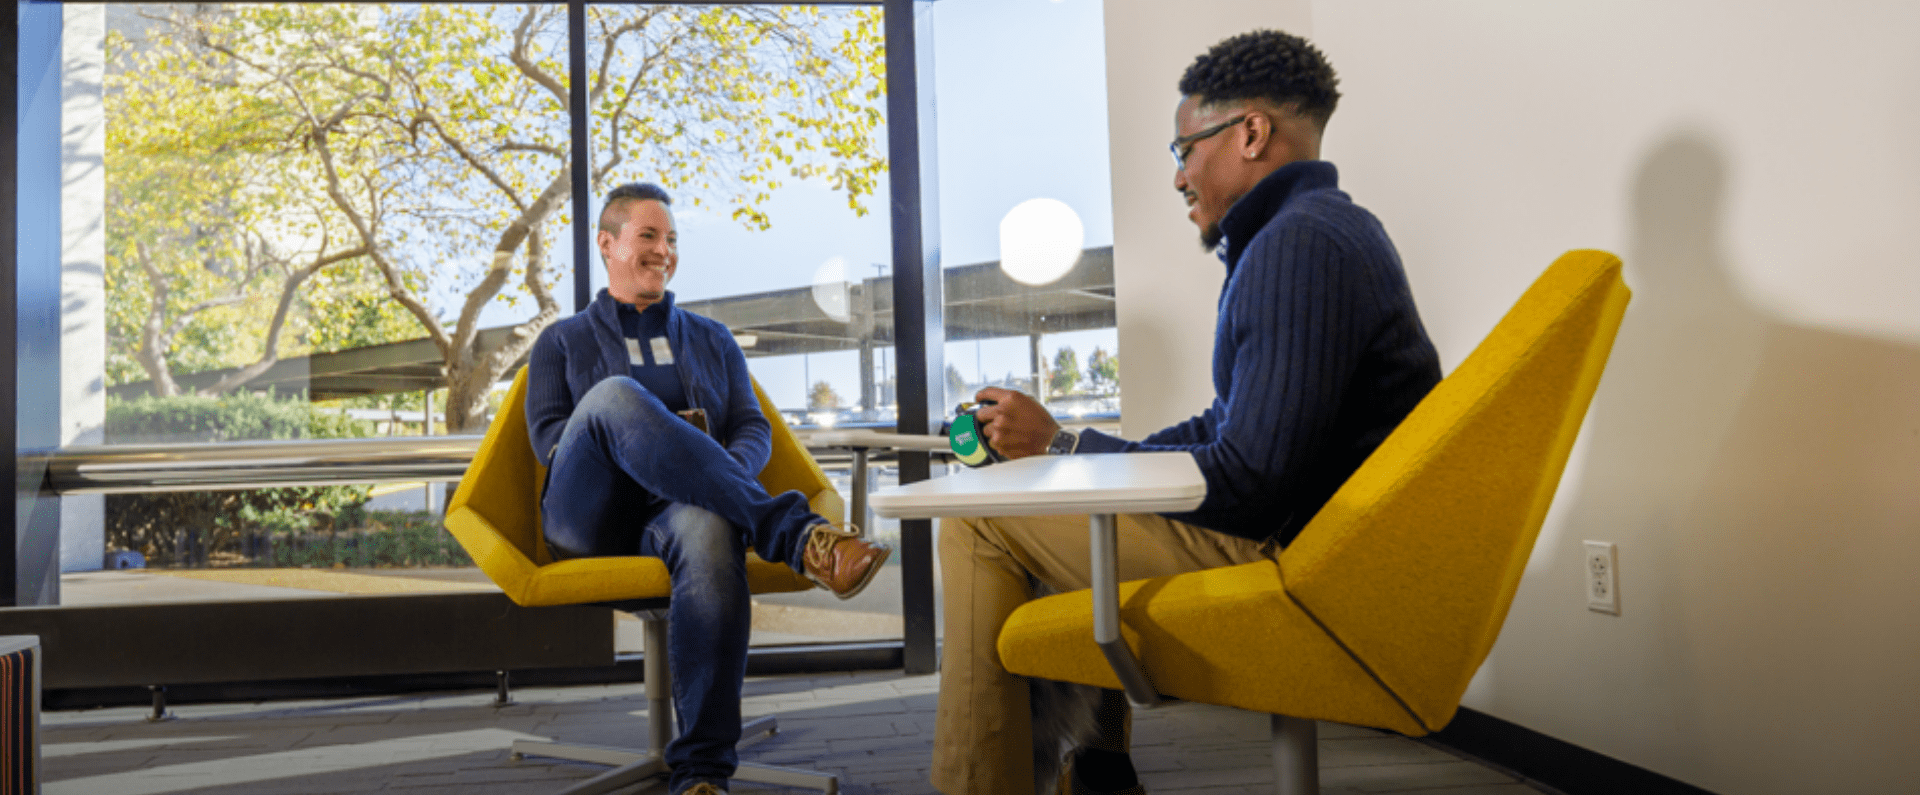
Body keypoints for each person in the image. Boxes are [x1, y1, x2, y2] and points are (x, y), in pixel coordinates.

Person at [931, 30, 1443, 795]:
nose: (1177, 178)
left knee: (980, 518)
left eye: (1183, 151)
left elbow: (1250, 481)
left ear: (1251, 133)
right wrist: (1071, 447)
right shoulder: (1322, 233)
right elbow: (1224, 430)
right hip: (1326, 548)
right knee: (1069, 490)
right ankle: (1101, 770)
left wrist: (1066, 449)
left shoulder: (1299, 246)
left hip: (1296, 568)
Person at [526, 182, 890, 795]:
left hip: (678, 515)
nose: (663, 250)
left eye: (671, 239)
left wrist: (706, 469)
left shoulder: (712, 339)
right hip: (588, 513)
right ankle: (799, 535)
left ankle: (701, 772)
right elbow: (553, 443)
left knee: (709, 524)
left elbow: (752, 427)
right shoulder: (561, 341)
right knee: (614, 398)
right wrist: (641, 443)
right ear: (607, 243)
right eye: (648, 235)